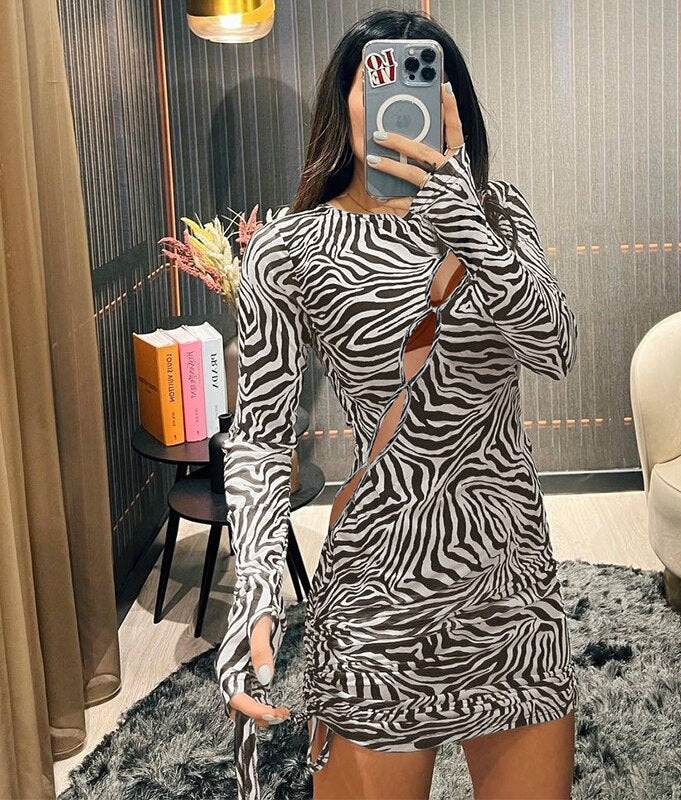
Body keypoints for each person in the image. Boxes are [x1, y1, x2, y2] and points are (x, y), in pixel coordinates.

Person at [215, 9, 579, 800]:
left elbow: (555, 348)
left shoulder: (499, 212)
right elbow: (260, 437)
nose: (402, 100)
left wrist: (466, 225)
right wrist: (256, 586)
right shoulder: (289, 247)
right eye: (376, 79)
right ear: (343, 102)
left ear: (455, 106)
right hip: (378, 595)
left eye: (426, 80)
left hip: (510, 588)